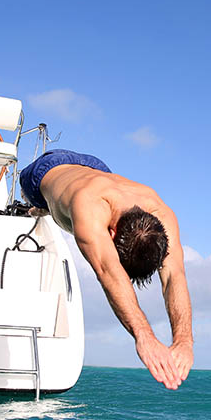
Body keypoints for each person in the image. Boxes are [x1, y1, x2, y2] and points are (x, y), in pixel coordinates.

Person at [19, 149, 193, 390]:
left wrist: (184, 341)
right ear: (111, 233)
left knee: (78, 210)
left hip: (97, 169)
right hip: (44, 172)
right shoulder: (88, 206)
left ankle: (55, 203)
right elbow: (109, 272)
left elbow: (175, 275)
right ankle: (38, 207)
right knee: (48, 204)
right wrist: (144, 335)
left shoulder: (160, 213)